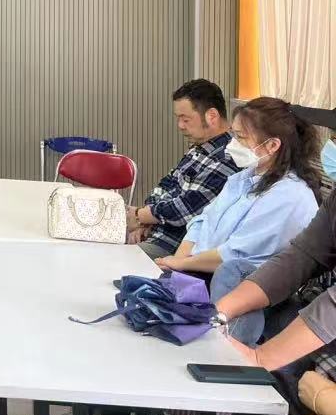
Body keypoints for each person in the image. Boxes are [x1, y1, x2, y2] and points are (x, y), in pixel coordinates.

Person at [156, 97, 322, 345]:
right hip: (202, 272)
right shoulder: (244, 178)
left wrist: (182, 264)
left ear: (272, 145)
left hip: (243, 291)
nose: (231, 145)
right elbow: (203, 221)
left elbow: (234, 256)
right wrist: (177, 265)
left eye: (241, 137)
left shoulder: (291, 195)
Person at [212, 105, 336, 368]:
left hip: (328, 319)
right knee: (235, 275)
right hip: (317, 306)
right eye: (334, 138)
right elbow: (302, 257)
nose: (332, 147)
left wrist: (263, 358)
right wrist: (220, 313)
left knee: (293, 373)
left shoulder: (291, 191)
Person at [126, 79, 239, 259]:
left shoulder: (229, 156)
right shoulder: (199, 147)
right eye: (178, 118)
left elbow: (187, 208)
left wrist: (141, 216)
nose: (180, 125)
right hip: (155, 232)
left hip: (174, 247)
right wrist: (144, 220)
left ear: (212, 116)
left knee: (106, 259)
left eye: (185, 119)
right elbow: (166, 184)